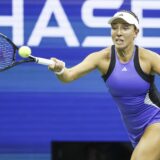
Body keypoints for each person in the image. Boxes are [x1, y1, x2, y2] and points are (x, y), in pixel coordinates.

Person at [48, 10, 160, 160]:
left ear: (135, 32)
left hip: (156, 123)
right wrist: (60, 69)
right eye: (114, 27)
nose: (118, 32)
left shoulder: (148, 59)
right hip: (136, 132)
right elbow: (68, 76)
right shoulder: (101, 58)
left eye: (125, 28)